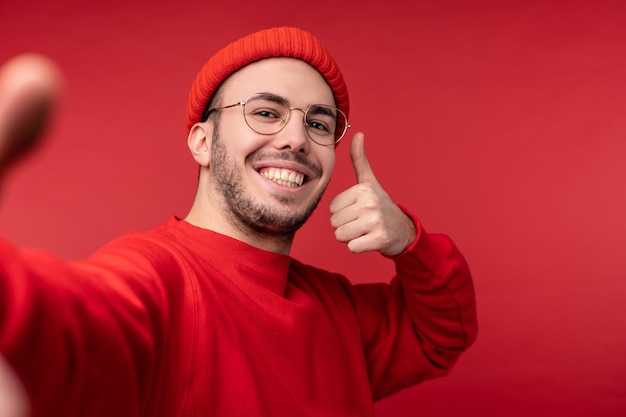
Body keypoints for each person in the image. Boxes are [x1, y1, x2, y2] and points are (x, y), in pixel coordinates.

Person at [0, 27, 478, 417]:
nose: (295, 138)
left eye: (319, 123)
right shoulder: (158, 277)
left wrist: (408, 241)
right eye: (266, 112)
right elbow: (67, 322)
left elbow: (442, 332)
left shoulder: (338, 311)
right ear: (202, 143)